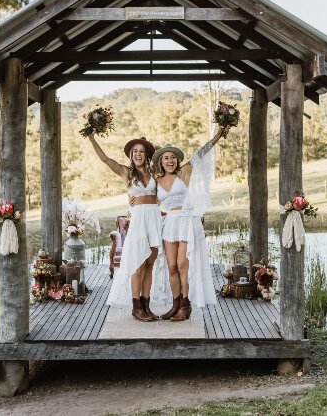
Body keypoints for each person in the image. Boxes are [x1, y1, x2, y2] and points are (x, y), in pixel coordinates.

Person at [143, 128, 226, 321]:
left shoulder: (185, 171)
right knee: (171, 266)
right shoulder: (156, 180)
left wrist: (219, 133)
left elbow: (203, 151)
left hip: (187, 221)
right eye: (166, 158)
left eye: (172, 157)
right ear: (160, 162)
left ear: (177, 160)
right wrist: (134, 201)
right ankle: (176, 303)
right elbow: (151, 201)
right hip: (170, 223)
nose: (170, 161)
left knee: (182, 264)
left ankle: (186, 305)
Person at [88, 134, 163, 322]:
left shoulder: (154, 171)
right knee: (138, 264)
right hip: (138, 220)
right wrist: (91, 137)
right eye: (135, 151)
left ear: (146, 154)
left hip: (154, 218)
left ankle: (146, 306)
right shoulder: (126, 173)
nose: (138, 154)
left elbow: (167, 174)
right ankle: (136, 307)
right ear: (131, 155)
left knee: (149, 265)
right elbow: (105, 159)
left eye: (142, 151)